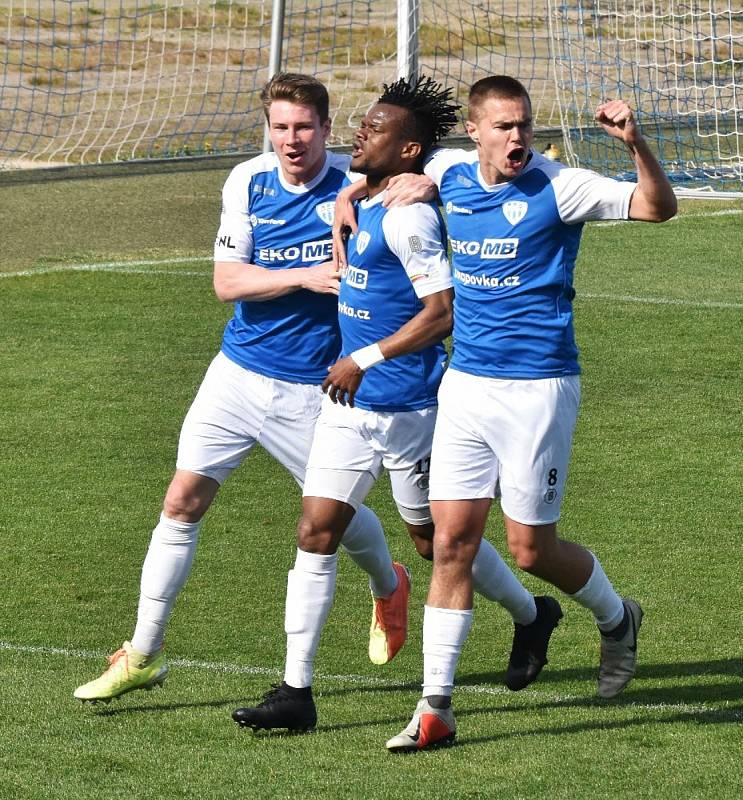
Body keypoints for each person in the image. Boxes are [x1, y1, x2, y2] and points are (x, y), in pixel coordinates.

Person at [334, 75, 677, 751]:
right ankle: (435, 708)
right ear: (475, 132)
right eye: (502, 127)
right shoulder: (448, 171)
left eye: (522, 125)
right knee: (450, 543)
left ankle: (615, 618)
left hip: (537, 390)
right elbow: (386, 174)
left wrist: (635, 144)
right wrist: (352, 195)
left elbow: (655, 208)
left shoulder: (560, 186)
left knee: (529, 550)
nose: (515, 137)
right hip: (464, 388)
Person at [231, 76, 563, 734]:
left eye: (375, 129)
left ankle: (532, 615)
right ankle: (296, 691)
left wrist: (364, 358)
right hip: (346, 410)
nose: (361, 133)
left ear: (408, 151)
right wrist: (344, 208)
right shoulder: (362, 198)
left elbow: (441, 314)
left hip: (410, 410)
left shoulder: (410, 218)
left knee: (430, 543)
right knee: (314, 531)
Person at [73, 73, 411, 704]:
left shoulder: (361, 183)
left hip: (314, 389)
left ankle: (388, 585)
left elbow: (437, 164)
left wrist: (425, 177)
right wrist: (306, 276)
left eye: (304, 127)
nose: (292, 140)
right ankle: (142, 652)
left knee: (333, 516)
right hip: (234, 375)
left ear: (327, 130)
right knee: (182, 501)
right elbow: (227, 283)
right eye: (280, 127)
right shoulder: (247, 181)